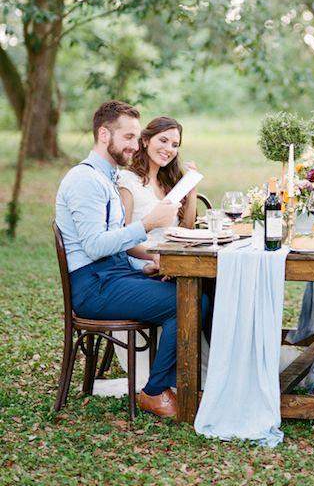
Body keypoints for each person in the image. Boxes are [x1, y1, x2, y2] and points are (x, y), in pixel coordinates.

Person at [55, 100, 207, 419]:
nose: (134, 145)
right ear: (103, 134)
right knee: (190, 302)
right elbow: (95, 246)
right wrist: (148, 224)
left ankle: (191, 382)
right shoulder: (85, 180)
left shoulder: (106, 178)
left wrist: (149, 263)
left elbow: (116, 242)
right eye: (128, 137)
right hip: (93, 286)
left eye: (137, 137)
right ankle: (154, 392)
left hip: (116, 274)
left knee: (197, 294)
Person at [118, 116, 197, 275]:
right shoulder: (128, 181)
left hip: (172, 261)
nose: (169, 149)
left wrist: (192, 188)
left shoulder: (167, 183)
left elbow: (186, 229)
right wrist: (157, 257)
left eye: (175, 145)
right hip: (145, 264)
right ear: (145, 141)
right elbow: (124, 239)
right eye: (163, 140)